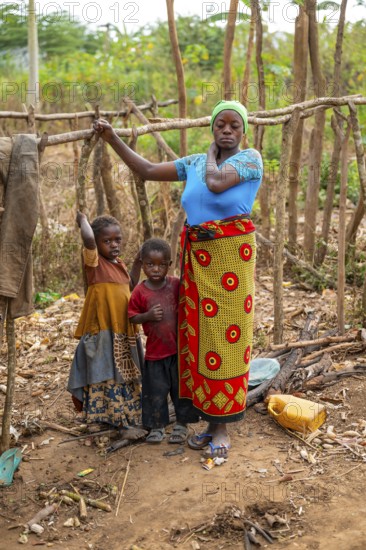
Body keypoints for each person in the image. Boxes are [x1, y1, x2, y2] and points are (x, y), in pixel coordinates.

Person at [93, 100, 263, 458]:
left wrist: (211, 154)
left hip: (230, 261)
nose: (227, 131)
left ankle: (222, 428)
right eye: (220, 125)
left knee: (225, 341)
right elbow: (148, 170)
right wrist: (112, 139)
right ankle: (206, 420)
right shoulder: (196, 164)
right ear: (212, 128)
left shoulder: (250, 160)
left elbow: (217, 184)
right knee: (199, 337)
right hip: (199, 261)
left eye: (234, 125)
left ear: (243, 130)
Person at [67, 211, 143, 433]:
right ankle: (103, 417)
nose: (114, 245)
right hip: (102, 329)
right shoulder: (95, 263)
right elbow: (89, 239)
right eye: (107, 241)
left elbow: (130, 286)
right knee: (104, 371)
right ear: (97, 244)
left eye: (117, 240)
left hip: (123, 329)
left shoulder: (118, 263)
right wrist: (82, 219)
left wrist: (138, 261)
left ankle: (126, 412)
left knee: (124, 372)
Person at [128, 238, 196, 444]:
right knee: (155, 392)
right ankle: (157, 426)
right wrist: (147, 316)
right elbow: (131, 316)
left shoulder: (176, 285)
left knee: (180, 391)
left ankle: (182, 425)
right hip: (155, 353)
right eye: (150, 264)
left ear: (169, 264)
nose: (155, 269)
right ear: (143, 264)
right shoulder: (140, 291)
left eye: (161, 264)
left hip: (178, 352)